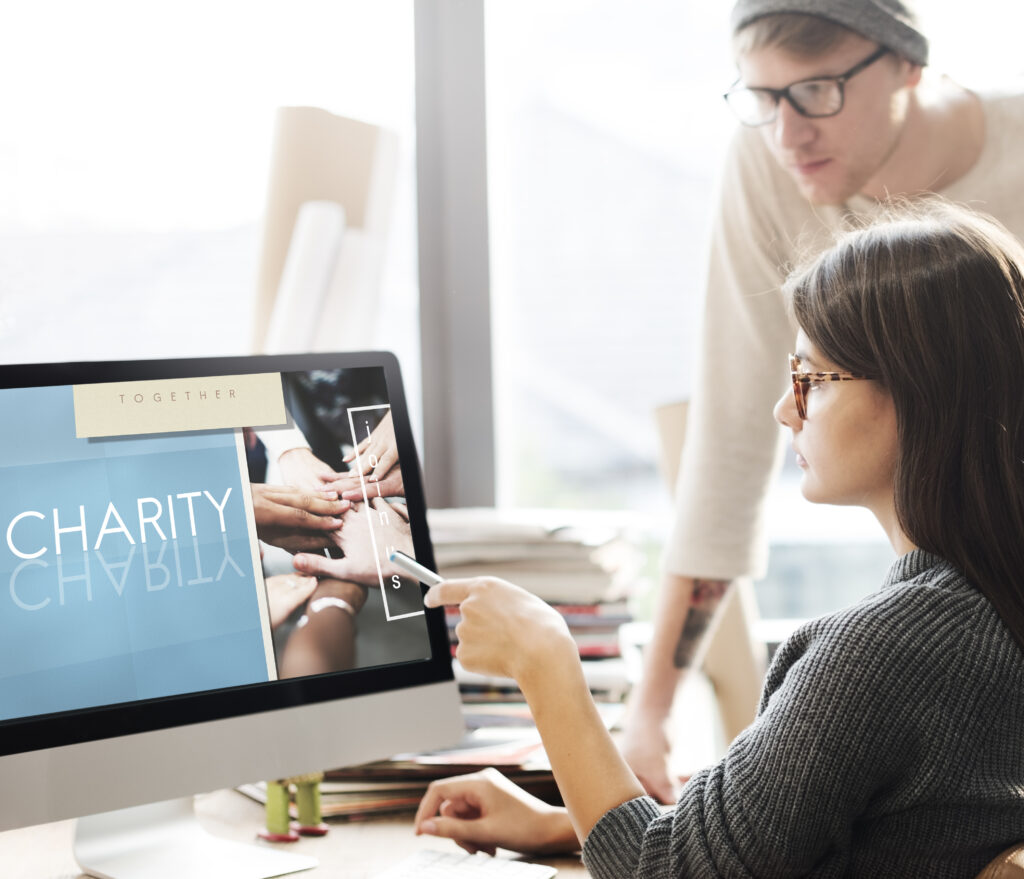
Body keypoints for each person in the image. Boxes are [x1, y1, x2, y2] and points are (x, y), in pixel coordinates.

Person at [414, 202, 1024, 876]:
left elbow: (666, 870)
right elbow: (844, 832)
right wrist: (568, 824)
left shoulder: (887, 653)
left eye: (810, 380)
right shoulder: (985, 611)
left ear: (916, 394)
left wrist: (545, 661)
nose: (783, 409)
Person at [623, 0, 1024, 804]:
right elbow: (733, 438)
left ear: (908, 63)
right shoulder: (767, 161)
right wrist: (652, 715)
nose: (787, 133)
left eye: (816, 92)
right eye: (760, 98)